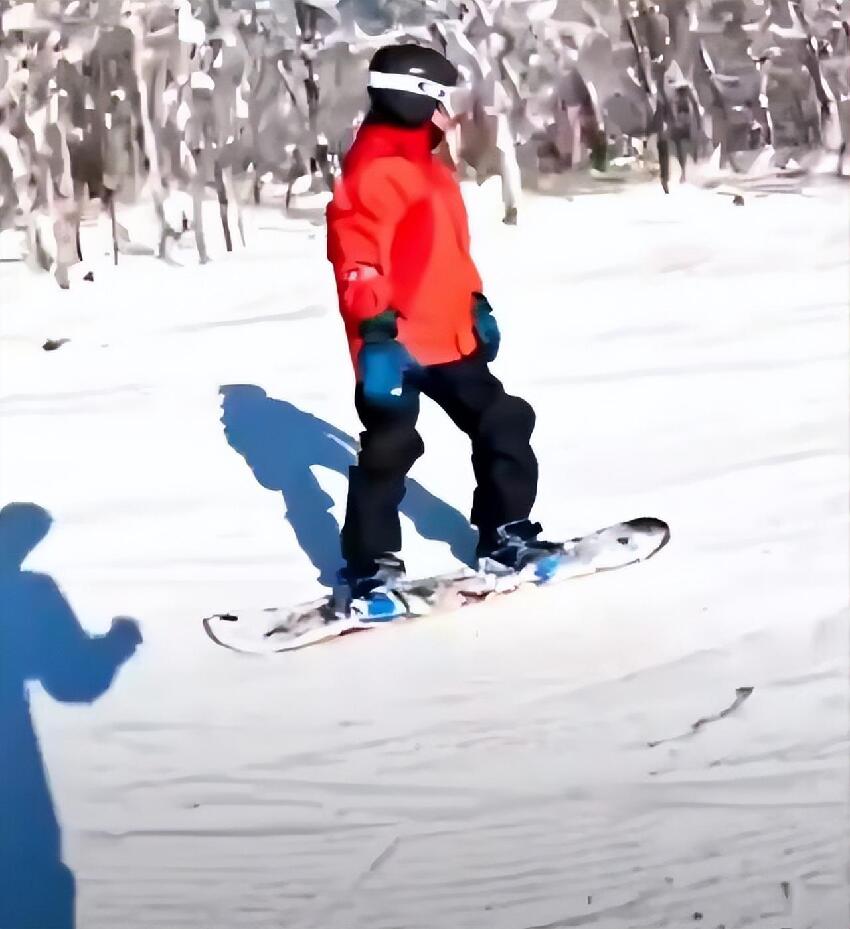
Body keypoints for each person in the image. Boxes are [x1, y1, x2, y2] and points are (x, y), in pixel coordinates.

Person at [325, 43, 559, 607]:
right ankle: (370, 564)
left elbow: (445, 251)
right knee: (390, 446)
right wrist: (375, 337)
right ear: (412, 97)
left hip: (448, 333)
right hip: (395, 341)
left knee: (502, 420)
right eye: (438, 99)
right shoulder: (378, 167)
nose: (445, 113)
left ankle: (504, 535)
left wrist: (474, 302)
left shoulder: (424, 165)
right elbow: (356, 259)